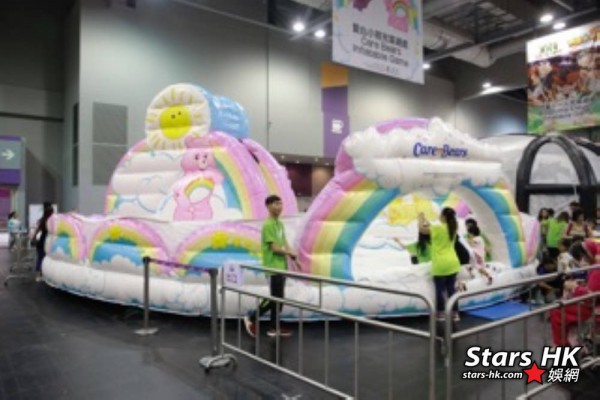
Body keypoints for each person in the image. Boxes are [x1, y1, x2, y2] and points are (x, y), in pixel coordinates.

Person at [244, 195, 298, 338]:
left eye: (281, 203)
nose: (279, 206)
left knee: (279, 299)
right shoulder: (268, 225)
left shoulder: (279, 224)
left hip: (281, 266)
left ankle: (274, 327)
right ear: (268, 206)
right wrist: (289, 252)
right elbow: (274, 248)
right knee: (275, 298)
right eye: (276, 204)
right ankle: (251, 318)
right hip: (272, 266)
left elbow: (285, 243)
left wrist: (294, 257)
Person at [420, 207, 461, 321]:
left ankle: (441, 313)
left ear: (443, 216)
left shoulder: (438, 228)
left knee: (440, 289)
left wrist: (420, 219)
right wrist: (427, 221)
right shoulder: (454, 226)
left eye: (440, 214)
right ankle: (455, 313)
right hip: (452, 263)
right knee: (451, 289)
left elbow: (422, 230)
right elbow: (434, 228)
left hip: (441, 264)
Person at [32, 204, 54, 282]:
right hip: (45, 242)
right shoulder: (50, 222)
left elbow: (37, 230)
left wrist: (34, 238)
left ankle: (39, 274)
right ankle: (40, 274)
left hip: (41, 242)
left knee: (40, 258)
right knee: (42, 258)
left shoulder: (42, 220)